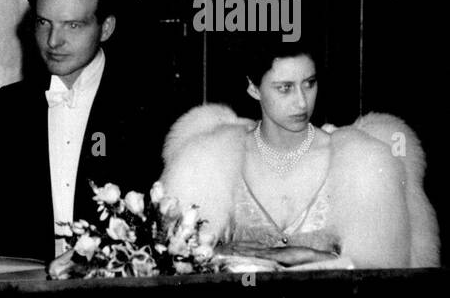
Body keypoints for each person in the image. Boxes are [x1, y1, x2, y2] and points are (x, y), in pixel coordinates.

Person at [0, 0, 166, 279]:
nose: (54, 41)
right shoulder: (12, 106)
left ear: (106, 28)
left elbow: (162, 228)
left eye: (73, 25)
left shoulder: (148, 107)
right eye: (44, 23)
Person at [160, 40, 439, 269]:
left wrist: (315, 258)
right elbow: (178, 263)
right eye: (285, 88)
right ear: (253, 88)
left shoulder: (361, 160)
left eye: (310, 83)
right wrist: (220, 253)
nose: (302, 102)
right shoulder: (211, 159)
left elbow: (386, 275)